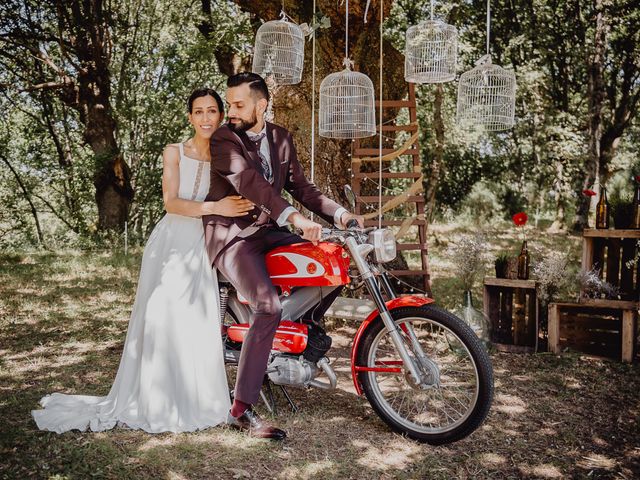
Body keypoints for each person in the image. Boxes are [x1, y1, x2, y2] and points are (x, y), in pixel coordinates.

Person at [31, 88, 252, 433]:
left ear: (221, 116)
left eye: (212, 111)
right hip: (173, 240)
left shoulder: (227, 155)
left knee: (196, 316)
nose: (206, 118)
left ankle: (197, 398)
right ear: (190, 117)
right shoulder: (175, 151)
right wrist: (216, 207)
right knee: (162, 312)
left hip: (203, 242)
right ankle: (155, 397)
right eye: (199, 111)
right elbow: (172, 203)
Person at [203, 72, 364, 441]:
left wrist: (340, 214)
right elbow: (249, 182)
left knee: (332, 263)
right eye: (229, 104)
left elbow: (302, 187)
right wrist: (292, 217)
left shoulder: (281, 137)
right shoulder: (225, 138)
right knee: (268, 306)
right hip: (233, 235)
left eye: (239, 104)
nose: (231, 111)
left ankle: (297, 336)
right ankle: (240, 409)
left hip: (270, 231)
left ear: (261, 105)